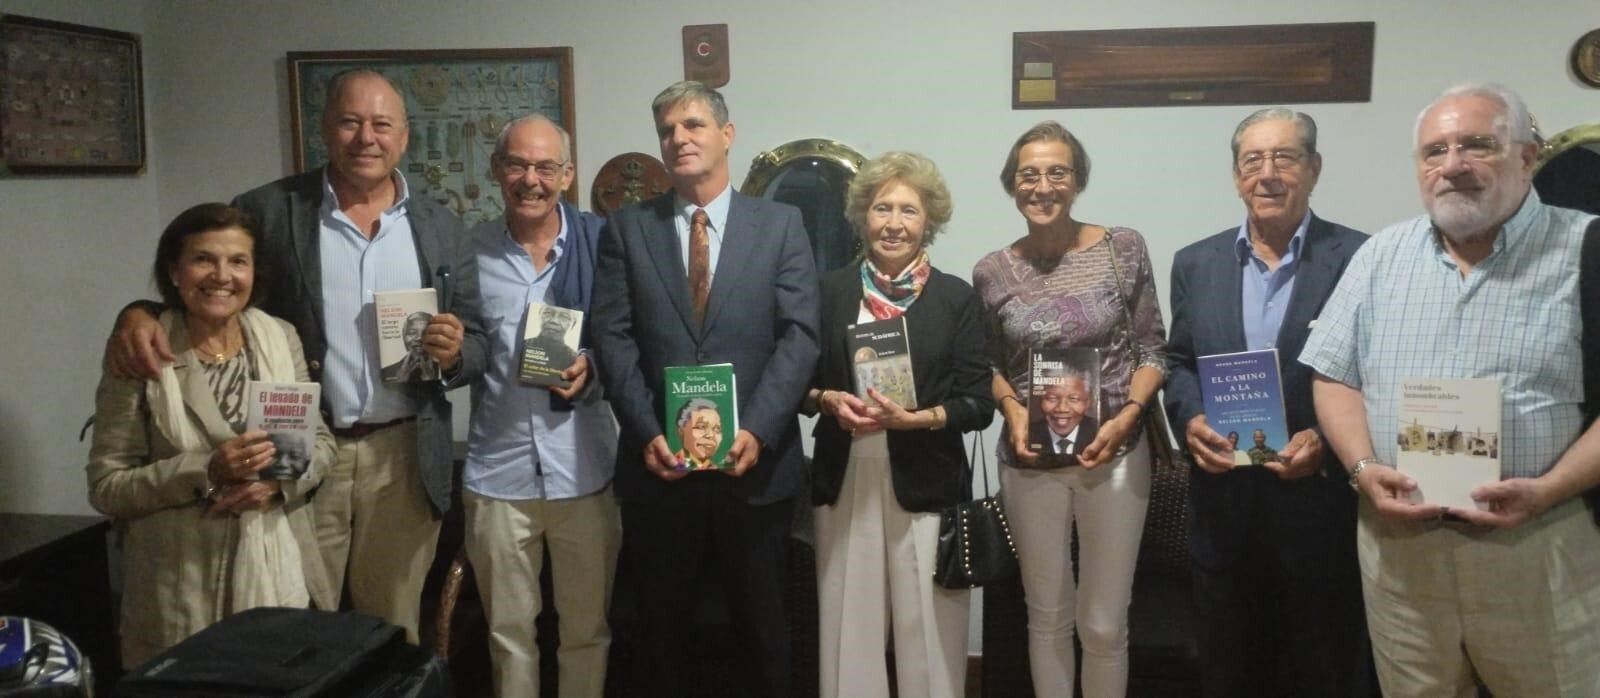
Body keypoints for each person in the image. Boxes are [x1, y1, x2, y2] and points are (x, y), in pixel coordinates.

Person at [107, 69, 487, 643]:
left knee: (393, 634)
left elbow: (481, 337)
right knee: (299, 631)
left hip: (405, 460)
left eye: (382, 124)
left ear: (404, 137)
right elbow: (212, 279)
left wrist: (458, 353)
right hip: (305, 454)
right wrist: (137, 311)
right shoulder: (270, 210)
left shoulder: (443, 226)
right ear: (324, 130)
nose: (367, 138)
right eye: (350, 122)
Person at [1301, 83, 1600, 697]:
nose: (1453, 165)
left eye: (1477, 146)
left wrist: (1547, 490)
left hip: (1539, 546)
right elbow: (1333, 375)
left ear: (1528, 156)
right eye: (1434, 151)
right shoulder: (1381, 255)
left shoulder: (1587, 248)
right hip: (1402, 552)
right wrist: (1360, 466)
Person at [590, 80, 820, 698]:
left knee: (765, 633)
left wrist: (759, 429)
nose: (678, 138)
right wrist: (647, 433)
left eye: (692, 125)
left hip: (756, 469)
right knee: (660, 636)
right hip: (659, 472)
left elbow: (800, 337)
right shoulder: (628, 229)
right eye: (667, 129)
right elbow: (612, 339)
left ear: (726, 135)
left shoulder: (780, 225)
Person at [1162, 107, 1374, 697]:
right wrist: (1191, 420)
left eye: (1284, 157)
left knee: (1323, 668)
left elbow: (1376, 374)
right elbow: (1179, 361)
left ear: (1314, 168)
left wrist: (1328, 445)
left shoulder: (1362, 257)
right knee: (1230, 670)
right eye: (1252, 160)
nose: (1268, 173)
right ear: (1236, 176)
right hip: (1223, 509)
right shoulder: (1195, 262)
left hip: (1318, 508)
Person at [88, 203, 336, 667]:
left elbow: (319, 446)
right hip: (177, 595)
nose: (221, 275)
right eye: (203, 259)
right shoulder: (141, 347)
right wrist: (206, 471)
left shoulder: (280, 338)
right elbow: (107, 487)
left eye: (238, 261)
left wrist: (277, 483)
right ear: (174, 271)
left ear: (254, 272)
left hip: (276, 580)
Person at [973, 121, 1167, 697]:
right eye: (1028, 174)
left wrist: (1129, 414)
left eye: (1057, 171)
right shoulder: (991, 270)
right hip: (1030, 460)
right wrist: (1009, 408)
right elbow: (981, 362)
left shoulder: (1121, 248)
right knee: (1047, 614)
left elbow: (1153, 346)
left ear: (1077, 180)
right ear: (1012, 185)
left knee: (1105, 623)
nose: (1042, 185)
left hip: (1115, 454)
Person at [805, 151, 994, 698]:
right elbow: (798, 382)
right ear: (862, 216)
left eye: (908, 211)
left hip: (929, 481)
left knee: (931, 635)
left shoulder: (956, 297)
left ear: (927, 221)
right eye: (881, 207)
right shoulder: (828, 291)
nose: (893, 223)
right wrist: (826, 399)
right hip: (845, 479)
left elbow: (977, 403)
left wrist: (915, 420)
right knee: (847, 633)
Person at [460, 114, 620, 698]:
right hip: (498, 477)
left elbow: (628, 335)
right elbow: (458, 348)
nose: (531, 179)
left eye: (545, 166)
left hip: (584, 471)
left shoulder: (603, 244)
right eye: (518, 165)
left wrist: (595, 368)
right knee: (507, 635)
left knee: (586, 632)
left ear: (567, 174)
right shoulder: (466, 252)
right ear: (497, 170)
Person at [1029, 369, 1098, 458]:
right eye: (1052, 398)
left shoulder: (1099, 432)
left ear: (1088, 402)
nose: (1062, 408)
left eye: (1074, 399)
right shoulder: (1029, 434)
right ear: (1041, 400)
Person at [381, 311, 438, 382]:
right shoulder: (387, 371)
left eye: (426, 332)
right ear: (404, 336)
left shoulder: (444, 369)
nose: (419, 338)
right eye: (412, 333)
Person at [672, 397, 725, 470]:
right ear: (681, 431)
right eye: (701, 427)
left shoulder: (717, 467)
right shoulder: (675, 465)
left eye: (717, 429)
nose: (711, 435)